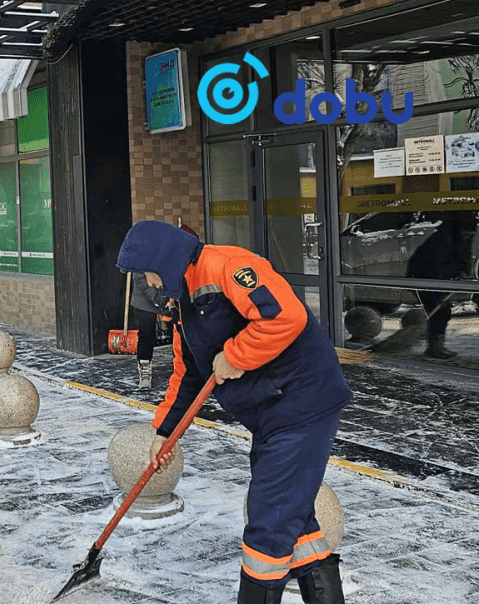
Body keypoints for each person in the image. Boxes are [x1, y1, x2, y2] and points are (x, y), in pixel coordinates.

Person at [117, 221, 351, 604]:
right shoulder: (185, 301)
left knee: (269, 526)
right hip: (271, 414)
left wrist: (236, 356)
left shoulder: (227, 267)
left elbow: (284, 317)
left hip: (300, 404)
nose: (151, 283)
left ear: (165, 260)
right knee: (293, 517)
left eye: (149, 273)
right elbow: (187, 373)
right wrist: (164, 431)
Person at [125, 222, 198, 389]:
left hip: (167, 296)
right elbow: (141, 281)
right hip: (145, 298)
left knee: (178, 333)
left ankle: (181, 370)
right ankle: (144, 369)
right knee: (147, 334)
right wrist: (159, 301)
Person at [405, 212, 473, 359]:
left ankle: (435, 345)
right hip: (426, 277)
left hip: (433, 276)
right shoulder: (444, 239)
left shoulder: (458, 236)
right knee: (439, 310)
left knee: (441, 311)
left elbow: (462, 257)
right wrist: (441, 288)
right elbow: (437, 264)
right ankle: (434, 347)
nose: (470, 234)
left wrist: (462, 271)